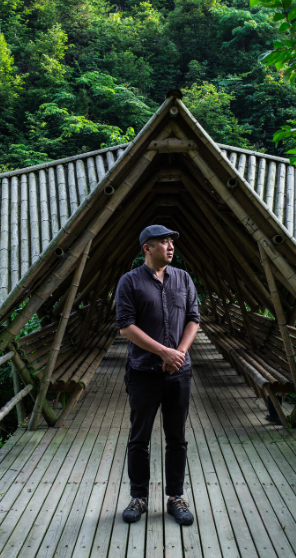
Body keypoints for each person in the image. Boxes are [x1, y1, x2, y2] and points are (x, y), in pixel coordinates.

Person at [115, 225, 200, 526]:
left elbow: (193, 318)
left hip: (179, 373)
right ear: (146, 249)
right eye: (162, 242)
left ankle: (175, 497)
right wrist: (163, 352)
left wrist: (177, 353)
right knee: (139, 439)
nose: (170, 246)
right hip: (143, 372)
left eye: (172, 241)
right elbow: (126, 326)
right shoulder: (130, 282)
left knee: (177, 438)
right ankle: (138, 496)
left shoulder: (183, 278)